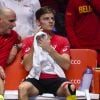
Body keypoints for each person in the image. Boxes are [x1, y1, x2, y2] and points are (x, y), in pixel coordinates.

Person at [18, 6, 76, 100]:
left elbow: (66, 65)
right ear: (38, 22)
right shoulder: (28, 41)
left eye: (52, 18)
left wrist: (49, 49)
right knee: (22, 88)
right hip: (36, 79)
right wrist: (34, 44)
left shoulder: (63, 40)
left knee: (71, 88)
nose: (51, 21)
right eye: (46, 18)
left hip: (56, 79)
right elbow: (27, 67)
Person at [65, 0, 100, 66]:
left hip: (98, 47)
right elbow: (69, 26)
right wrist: (77, 46)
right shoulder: (74, 2)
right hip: (81, 47)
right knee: (83, 74)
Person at [0, 7, 21, 99]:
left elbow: (23, 42)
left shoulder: (14, 35)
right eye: (11, 21)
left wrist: (16, 47)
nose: (14, 24)